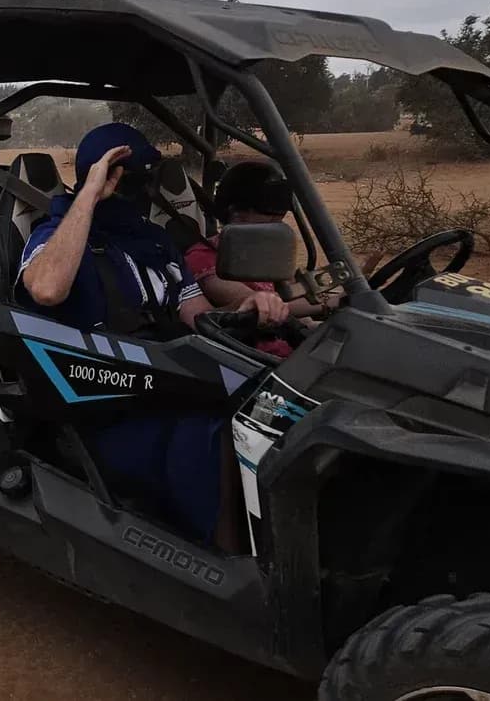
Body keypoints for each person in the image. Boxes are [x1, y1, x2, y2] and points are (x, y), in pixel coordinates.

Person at [18, 123, 290, 547]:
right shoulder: (54, 237)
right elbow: (47, 289)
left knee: (270, 415)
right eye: (128, 182)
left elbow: (197, 316)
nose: (140, 193)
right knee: (223, 433)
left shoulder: (155, 243)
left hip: (169, 381)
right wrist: (89, 195)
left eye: (145, 181)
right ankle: (228, 560)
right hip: (103, 400)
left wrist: (244, 310)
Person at [185, 160, 339, 358]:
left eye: (279, 222)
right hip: (252, 361)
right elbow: (255, 304)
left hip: (290, 354)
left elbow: (297, 307)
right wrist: (330, 303)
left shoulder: (266, 252)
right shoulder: (203, 257)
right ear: (237, 216)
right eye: (269, 223)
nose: (275, 230)